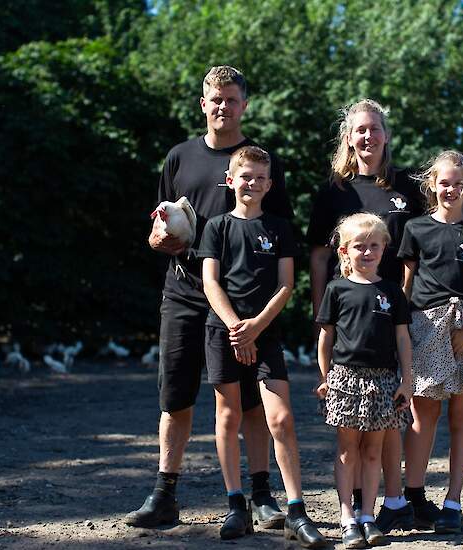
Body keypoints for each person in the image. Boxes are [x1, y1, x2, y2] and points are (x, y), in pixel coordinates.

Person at [128, 66, 293, 529]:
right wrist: (158, 240)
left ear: (245, 105)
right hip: (183, 293)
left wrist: (260, 313)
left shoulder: (259, 162)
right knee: (175, 397)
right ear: (203, 104)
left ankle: (261, 496)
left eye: (232, 100)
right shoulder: (179, 157)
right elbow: (158, 227)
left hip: (242, 303)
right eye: (215, 99)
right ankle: (164, 494)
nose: (223, 107)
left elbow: (278, 234)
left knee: (250, 402)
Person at [198, 145, 326, 547]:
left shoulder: (279, 227)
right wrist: (237, 327)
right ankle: (237, 506)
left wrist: (256, 327)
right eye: (245, 176)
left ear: (270, 184)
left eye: (260, 177)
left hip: (265, 332)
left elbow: (287, 284)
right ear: (230, 180)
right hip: (224, 332)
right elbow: (210, 282)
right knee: (228, 416)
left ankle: (296, 511)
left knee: (281, 418)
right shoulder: (216, 226)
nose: (252, 183)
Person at [306, 98, 423, 524]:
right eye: (360, 130)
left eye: (375, 128)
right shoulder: (335, 192)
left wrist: (405, 304)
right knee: (353, 420)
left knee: (393, 409)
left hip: (395, 316)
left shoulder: (408, 188)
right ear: (349, 137)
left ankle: (396, 499)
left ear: (386, 135)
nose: (368, 136)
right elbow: (319, 257)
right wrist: (324, 310)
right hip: (349, 319)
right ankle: (360, 504)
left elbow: (417, 252)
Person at [395, 150, 463, 534]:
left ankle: (453, 501)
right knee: (424, 415)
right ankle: (413, 493)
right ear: (432, 185)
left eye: (457, 183)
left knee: (461, 416)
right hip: (424, 328)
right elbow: (406, 287)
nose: (450, 189)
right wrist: (400, 334)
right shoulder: (416, 229)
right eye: (444, 183)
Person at [315, 213, 413, 548]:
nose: (367, 252)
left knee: (374, 452)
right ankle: (347, 517)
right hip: (345, 378)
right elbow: (325, 339)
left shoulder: (392, 292)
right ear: (345, 251)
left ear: (384, 248)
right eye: (359, 246)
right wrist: (326, 377)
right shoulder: (336, 289)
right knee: (347, 450)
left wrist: (407, 378)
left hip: (385, 379)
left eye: (374, 245)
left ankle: (368, 515)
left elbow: (402, 338)